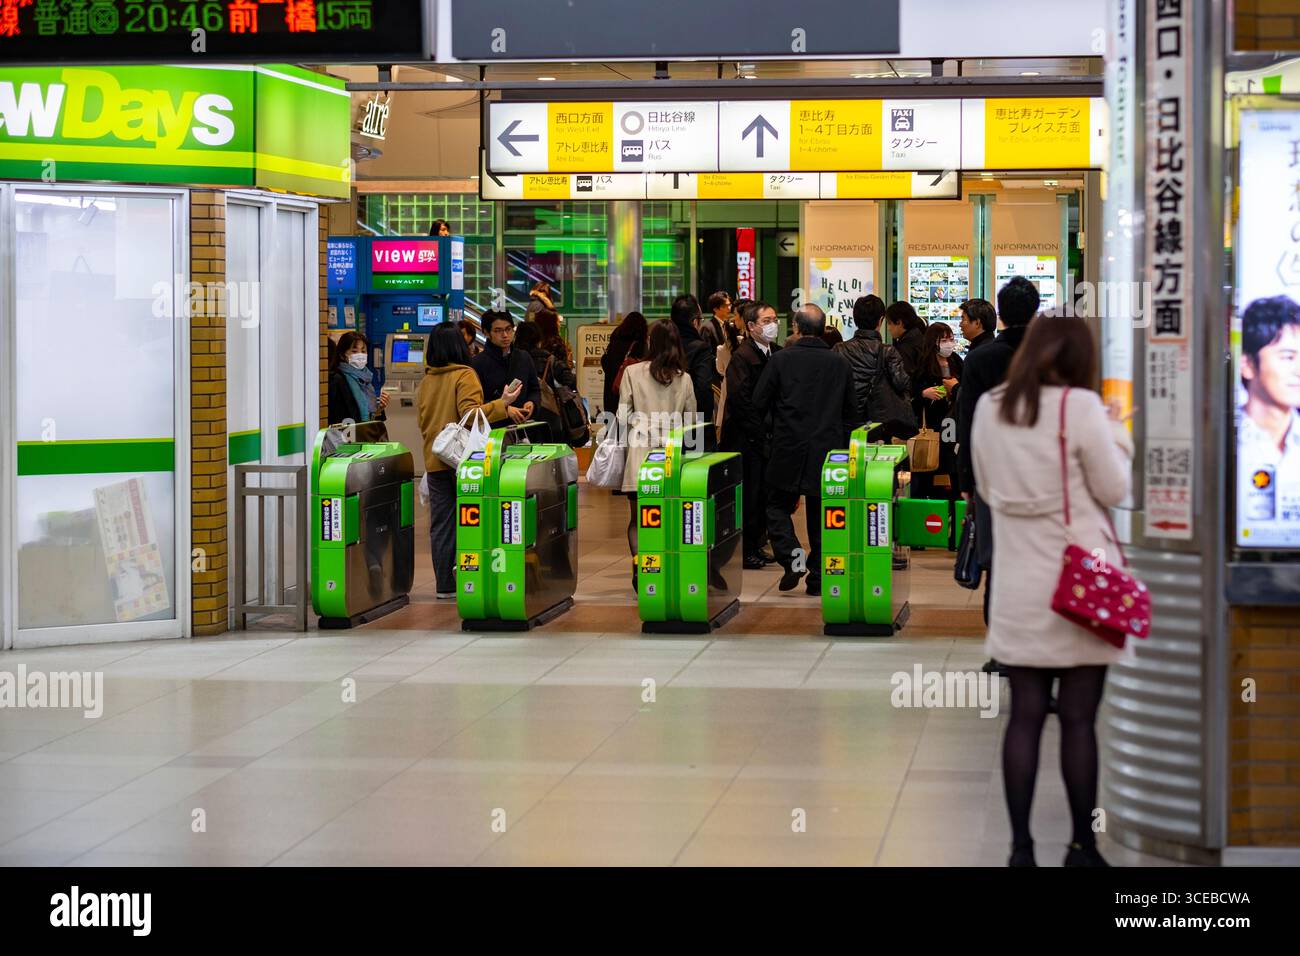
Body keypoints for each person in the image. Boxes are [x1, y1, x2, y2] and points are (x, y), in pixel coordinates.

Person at [971, 315, 1133, 868]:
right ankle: (1082, 849)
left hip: (1018, 583)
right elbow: (1116, 488)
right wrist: (1120, 432)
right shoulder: (1083, 408)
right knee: (1081, 722)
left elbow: (986, 486)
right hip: (1080, 583)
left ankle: (1020, 850)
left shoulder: (992, 406)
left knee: (1025, 716)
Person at [753, 304, 860, 596]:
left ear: (797, 329)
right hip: (828, 449)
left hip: (787, 447)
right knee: (821, 513)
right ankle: (818, 579)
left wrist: (768, 435)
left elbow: (758, 402)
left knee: (775, 505)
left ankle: (791, 557)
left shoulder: (780, 361)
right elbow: (852, 412)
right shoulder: (839, 363)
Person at [957, 276, 1040, 626]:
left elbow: (968, 423)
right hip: (1040, 475)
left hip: (993, 476)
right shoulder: (1047, 357)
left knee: (998, 561)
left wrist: (967, 478)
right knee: (1037, 558)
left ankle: (1002, 644)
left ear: (1001, 314)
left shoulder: (981, 359)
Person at [417, 323, 521, 599]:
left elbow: (423, 421)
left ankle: (444, 585)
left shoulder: (427, 379)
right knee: (475, 520)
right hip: (463, 462)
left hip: (435, 459)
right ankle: (473, 577)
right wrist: (503, 404)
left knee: (442, 524)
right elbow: (471, 415)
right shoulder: (465, 375)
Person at [618, 319, 698, 586]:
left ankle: (640, 564)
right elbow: (691, 423)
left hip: (640, 453)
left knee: (638, 519)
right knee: (668, 515)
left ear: (650, 342)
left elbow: (621, 416)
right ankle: (664, 567)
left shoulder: (632, 372)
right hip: (670, 456)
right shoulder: (684, 379)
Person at [722, 301, 782, 569]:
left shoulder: (775, 354)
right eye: (766, 321)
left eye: (774, 320)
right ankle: (746, 549)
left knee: (763, 495)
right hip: (748, 439)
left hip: (768, 437)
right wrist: (759, 431)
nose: (772, 325)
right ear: (751, 327)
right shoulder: (743, 357)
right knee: (749, 495)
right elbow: (740, 400)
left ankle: (757, 543)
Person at [834, 295, 915, 441]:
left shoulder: (839, 349)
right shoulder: (888, 351)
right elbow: (902, 384)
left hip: (847, 423)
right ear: (881, 320)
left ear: (855, 319)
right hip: (879, 426)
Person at [910, 322, 964, 500]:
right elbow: (911, 393)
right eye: (944, 340)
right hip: (931, 425)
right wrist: (924, 393)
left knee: (952, 468)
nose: (949, 343)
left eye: (951, 339)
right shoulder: (924, 363)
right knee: (928, 468)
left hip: (953, 424)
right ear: (934, 341)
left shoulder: (956, 360)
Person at [471, 310, 541, 428]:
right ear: (486, 333)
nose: (505, 335)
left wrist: (532, 403)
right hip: (492, 432)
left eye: (509, 329)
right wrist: (504, 409)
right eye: (498, 331)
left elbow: (534, 389)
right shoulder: (477, 363)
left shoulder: (523, 357)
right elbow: (476, 403)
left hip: (524, 428)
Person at [514, 321, 565, 443]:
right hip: (548, 416)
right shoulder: (549, 359)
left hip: (518, 416)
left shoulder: (512, 360)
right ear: (538, 339)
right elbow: (570, 380)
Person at [670, 293, 716, 425]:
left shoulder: (663, 345)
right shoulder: (700, 348)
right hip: (690, 423)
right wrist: (703, 421)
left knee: (669, 447)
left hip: (661, 420)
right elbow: (703, 389)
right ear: (695, 322)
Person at [327, 331, 389, 425]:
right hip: (348, 435)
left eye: (363, 351)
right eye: (354, 351)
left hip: (365, 434)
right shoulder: (337, 379)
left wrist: (379, 409)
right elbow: (336, 417)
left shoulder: (366, 379)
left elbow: (375, 418)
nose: (360, 355)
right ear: (342, 355)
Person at [601, 311, 649, 419]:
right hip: (630, 395)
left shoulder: (614, 341)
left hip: (611, 392)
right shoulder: (639, 345)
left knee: (614, 429)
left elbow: (605, 363)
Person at [533, 308, 576, 387]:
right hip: (553, 391)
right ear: (551, 324)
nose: (559, 324)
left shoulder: (533, 343)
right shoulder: (556, 344)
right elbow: (563, 372)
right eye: (557, 322)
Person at [884, 300, 926, 376]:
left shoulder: (906, 346)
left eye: (890, 323)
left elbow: (905, 378)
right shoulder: (918, 337)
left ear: (899, 322)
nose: (888, 328)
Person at [702, 291, 733, 378]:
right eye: (725, 306)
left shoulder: (729, 325)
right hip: (715, 374)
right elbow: (707, 355)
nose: (729, 308)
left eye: (729, 305)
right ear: (715, 309)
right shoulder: (707, 328)